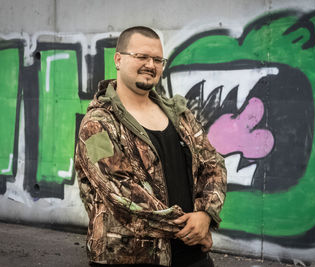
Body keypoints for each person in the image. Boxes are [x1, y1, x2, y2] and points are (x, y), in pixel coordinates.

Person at [75, 26, 227, 267]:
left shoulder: (181, 116)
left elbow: (213, 165)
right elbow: (119, 193)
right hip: (128, 259)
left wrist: (206, 214)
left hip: (192, 257)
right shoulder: (95, 127)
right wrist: (191, 228)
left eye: (157, 59)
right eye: (141, 56)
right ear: (118, 59)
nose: (151, 64)